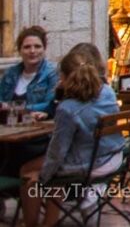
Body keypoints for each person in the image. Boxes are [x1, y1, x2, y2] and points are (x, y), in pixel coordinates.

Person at [19, 45, 124, 227]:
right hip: (113, 156)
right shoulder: (107, 92)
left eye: (61, 77)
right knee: (47, 171)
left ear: (67, 78)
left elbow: (57, 152)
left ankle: (34, 224)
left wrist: (43, 176)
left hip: (91, 163)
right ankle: (49, 221)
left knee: (30, 174)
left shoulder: (68, 109)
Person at [0, 27, 59, 179]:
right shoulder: (11, 73)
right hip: (8, 133)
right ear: (20, 50)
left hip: (37, 136)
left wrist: (15, 109)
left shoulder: (52, 73)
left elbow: (50, 103)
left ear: (44, 48)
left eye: (37, 46)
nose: (32, 51)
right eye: (27, 47)